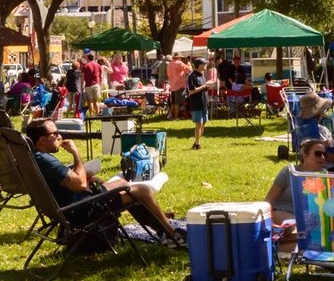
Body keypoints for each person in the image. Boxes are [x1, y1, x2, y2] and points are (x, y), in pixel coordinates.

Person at [24, 118, 181, 244]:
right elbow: (80, 184)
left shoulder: (34, 158)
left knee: (124, 183)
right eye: (55, 133)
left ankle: (160, 221)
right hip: (82, 210)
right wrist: (76, 153)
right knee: (142, 191)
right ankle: (172, 234)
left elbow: (72, 182)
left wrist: (86, 177)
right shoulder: (45, 161)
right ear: (43, 140)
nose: (59, 136)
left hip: (74, 204)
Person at [265, 138, 331, 244]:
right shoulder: (289, 172)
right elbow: (268, 200)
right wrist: (270, 221)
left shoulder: (324, 175)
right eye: (318, 154)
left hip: (309, 218)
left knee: (312, 232)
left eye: (325, 154)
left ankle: (280, 244)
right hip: (284, 213)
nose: (323, 158)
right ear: (305, 155)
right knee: (302, 227)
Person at [185, 57, 210, 149]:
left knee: (204, 122)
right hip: (196, 103)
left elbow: (202, 88)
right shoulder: (192, 76)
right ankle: (197, 143)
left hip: (204, 102)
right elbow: (191, 91)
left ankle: (196, 142)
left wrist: (206, 87)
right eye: (204, 64)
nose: (206, 65)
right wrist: (204, 86)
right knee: (198, 123)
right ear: (199, 65)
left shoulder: (202, 75)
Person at [167, 53, 189, 120]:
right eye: (181, 58)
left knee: (174, 102)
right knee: (179, 102)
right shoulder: (179, 63)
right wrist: (188, 65)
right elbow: (189, 70)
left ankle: (174, 116)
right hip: (179, 85)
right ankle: (177, 117)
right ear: (179, 57)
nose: (181, 59)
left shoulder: (170, 64)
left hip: (172, 85)